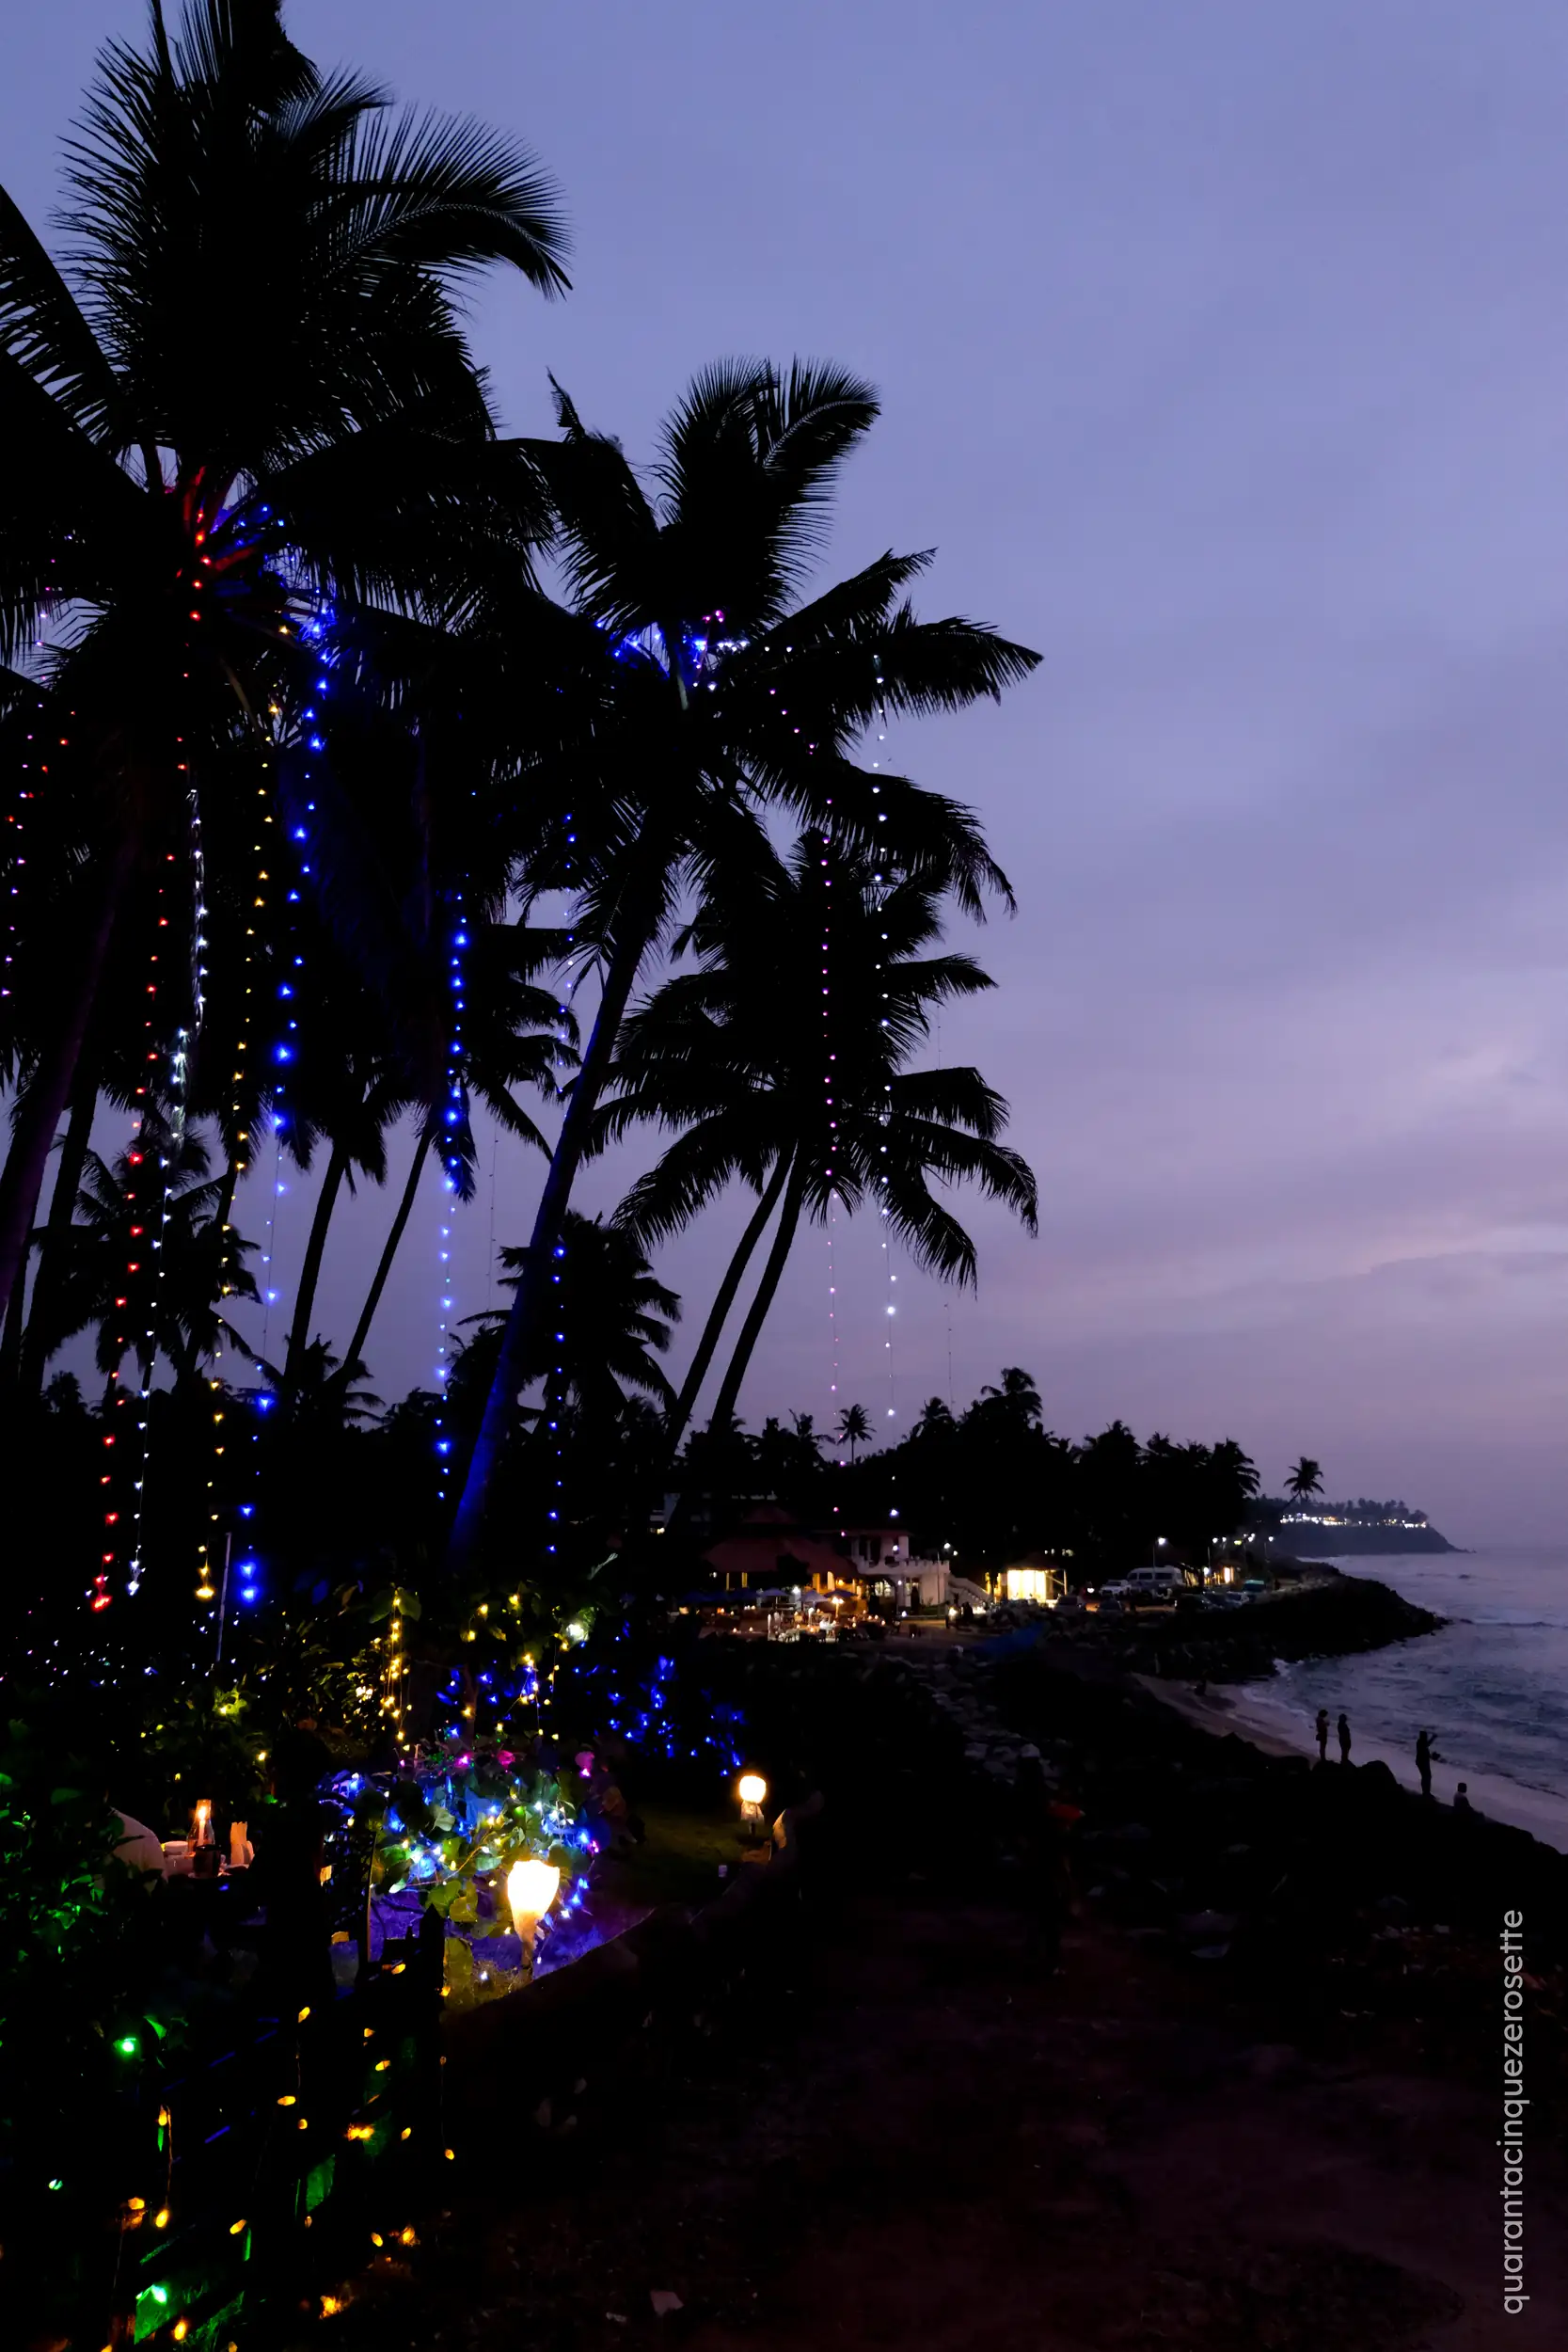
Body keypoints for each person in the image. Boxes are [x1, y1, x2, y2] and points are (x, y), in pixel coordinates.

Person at [1416, 1727, 1441, 1800]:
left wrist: (1432, 1756)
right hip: (1422, 1762)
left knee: (1426, 1777)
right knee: (1426, 1777)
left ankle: (1426, 1792)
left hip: (1422, 1762)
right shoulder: (1421, 1743)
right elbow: (1426, 1747)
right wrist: (1433, 1738)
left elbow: (1425, 1750)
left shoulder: (1420, 1743)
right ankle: (1426, 1793)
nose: (1426, 1737)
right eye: (1426, 1736)